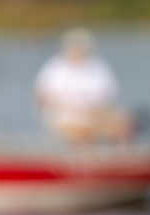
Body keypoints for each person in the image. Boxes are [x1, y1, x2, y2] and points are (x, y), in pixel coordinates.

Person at [35, 28, 134, 158]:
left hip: (96, 112)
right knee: (83, 130)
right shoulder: (54, 67)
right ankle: (86, 164)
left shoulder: (98, 65)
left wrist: (96, 110)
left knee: (123, 124)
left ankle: (121, 160)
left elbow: (109, 95)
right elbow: (42, 97)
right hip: (65, 114)